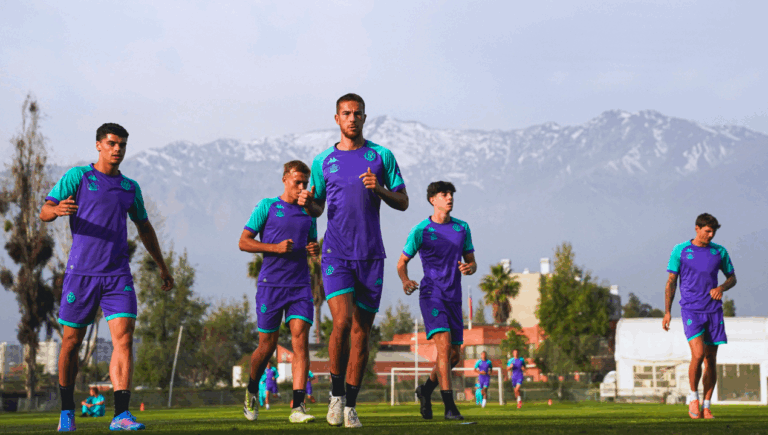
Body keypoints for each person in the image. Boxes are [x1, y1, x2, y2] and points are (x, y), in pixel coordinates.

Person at [40, 123, 174, 432]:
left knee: (124, 339)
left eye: (123, 145)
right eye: (112, 143)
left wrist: (162, 266)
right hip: (81, 275)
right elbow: (44, 211)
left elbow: (144, 227)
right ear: (99, 145)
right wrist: (58, 208)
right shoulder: (79, 177)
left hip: (117, 276)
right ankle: (67, 412)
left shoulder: (130, 188)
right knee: (71, 343)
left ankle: (121, 415)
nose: (118, 149)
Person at [298, 93, 409, 428]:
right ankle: (335, 396)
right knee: (342, 322)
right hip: (336, 253)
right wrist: (307, 203)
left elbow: (403, 201)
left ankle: (350, 404)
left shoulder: (382, 156)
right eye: (345, 113)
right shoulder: (322, 162)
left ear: (364, 118)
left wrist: (380, 190)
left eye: (357, 114)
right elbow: (318, 207)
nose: (351, 119)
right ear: (336, 119)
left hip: (372, 255)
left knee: (361, 333)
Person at [239, 160, 319, 424]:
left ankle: (298, 407)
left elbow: (312, 245)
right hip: (270, 287)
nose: (302, 188)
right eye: (297, 182)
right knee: (267, 346)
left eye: (305, 183)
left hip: (300, 287)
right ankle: (252, 390)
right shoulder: (267, 206)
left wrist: (314, 251)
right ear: (285, 179)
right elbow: (244, 242)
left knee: (300, 343)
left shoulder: (310, 213)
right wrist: (274, 248)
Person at [398, 181, 476, 421]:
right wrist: (405, 280)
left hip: (454, 296)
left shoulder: (462, 228)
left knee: (454, 356)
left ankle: (425, 390)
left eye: (451, 193)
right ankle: (450, 407)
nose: (449, 197)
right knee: (443, 346)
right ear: (433, 199)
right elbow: (402, 263)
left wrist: (470, 267)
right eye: (444, 194)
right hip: (432, 294)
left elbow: (472, 261)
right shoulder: (421, 230)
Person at [663, 213, 736, 420]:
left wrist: (721, 287)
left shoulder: (719, 251)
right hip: (691, 310)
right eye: (707, 231)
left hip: (713, 311)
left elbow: (732, 278)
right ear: (697, 228)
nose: (710, 235)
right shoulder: (681, 250)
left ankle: (706, 405)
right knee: (698, 354)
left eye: (713, 232)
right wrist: (667, 311)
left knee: (711, 359)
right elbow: (671, 282)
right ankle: (693, 398)